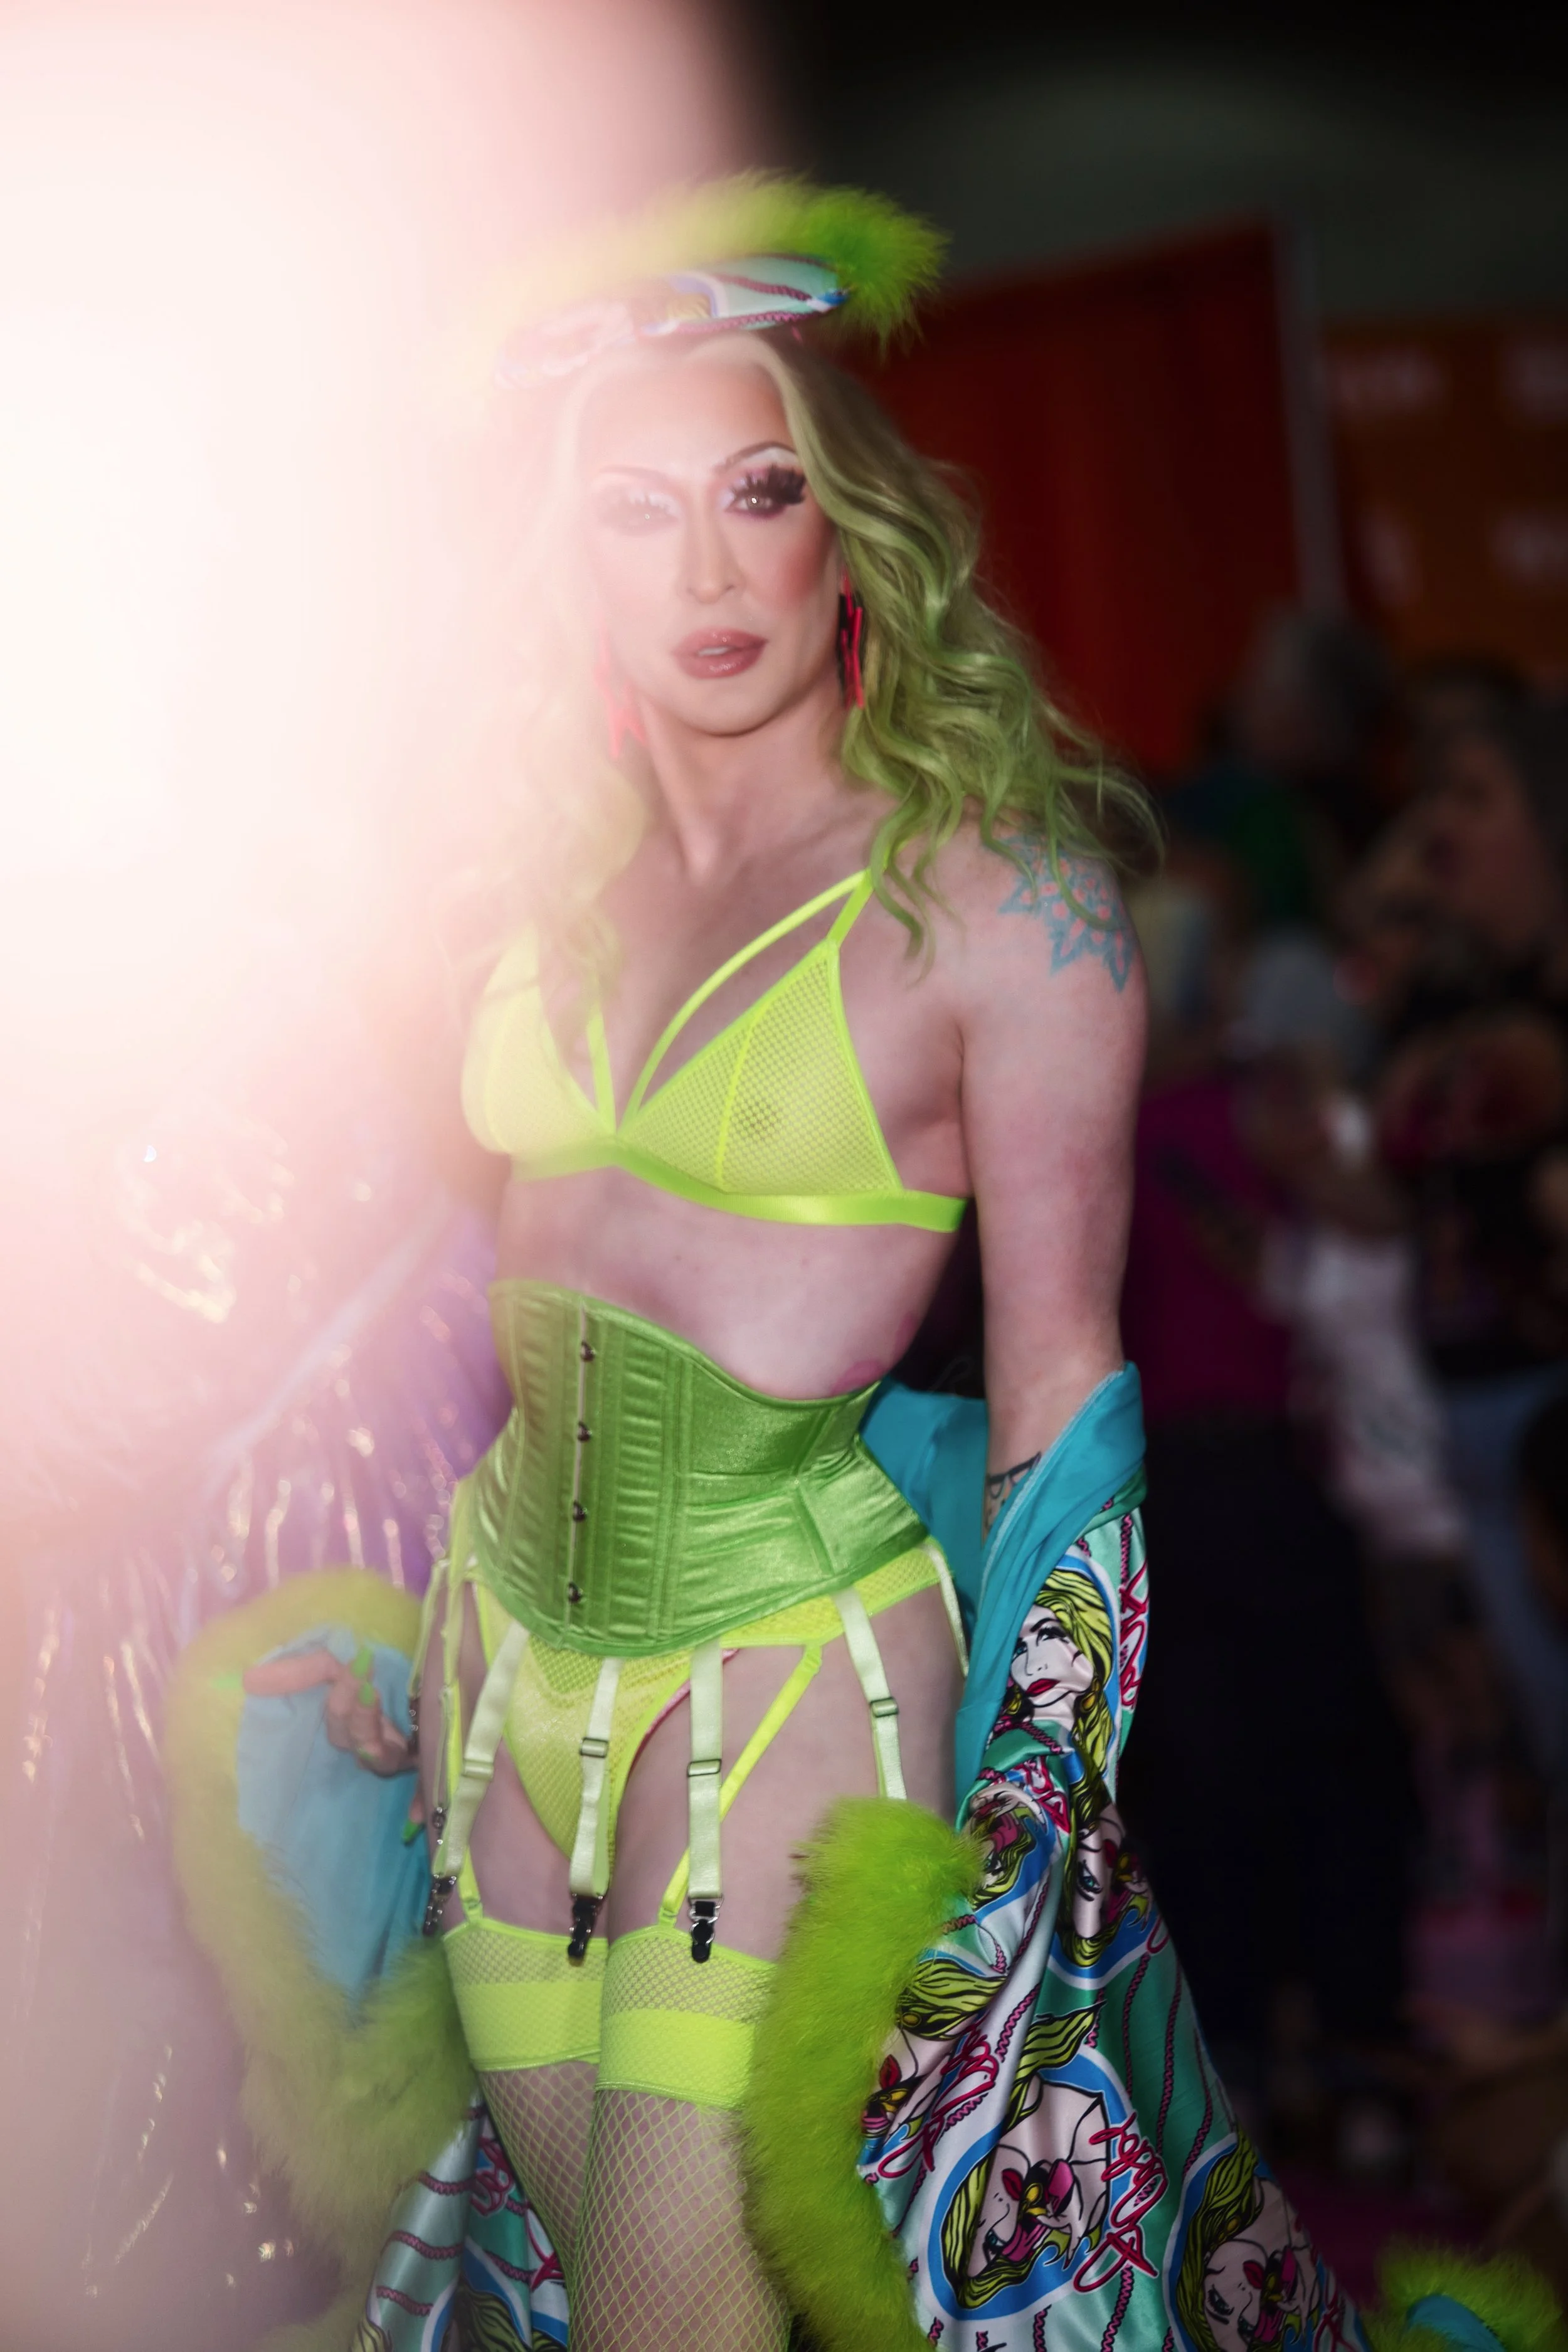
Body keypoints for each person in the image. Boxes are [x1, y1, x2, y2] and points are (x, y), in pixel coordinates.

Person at [166, 181, 1541, 2352]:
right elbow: (522, 1305)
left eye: (758, 493)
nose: (707, 573)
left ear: (850, 529)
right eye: (633, 514)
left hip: (788, 1676)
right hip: (505, 1665)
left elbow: (1065, 1398)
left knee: (671, 2311)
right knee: (558, 2298)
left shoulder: (1002, 906)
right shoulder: (528, 891)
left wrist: (1038, 1795)